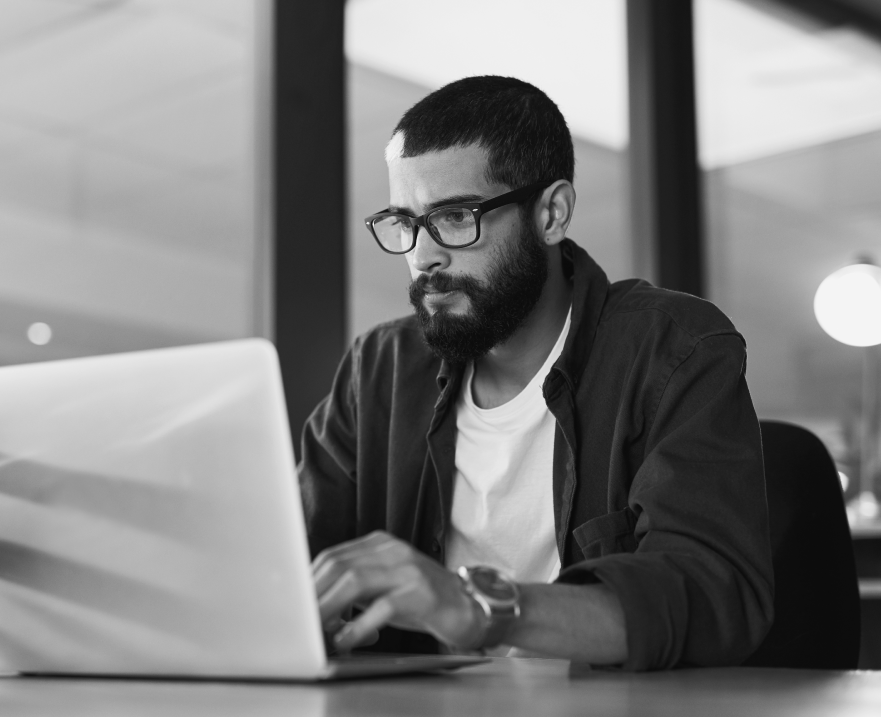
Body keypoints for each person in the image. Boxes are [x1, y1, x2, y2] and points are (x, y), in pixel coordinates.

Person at [299, 76, 774, 671]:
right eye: (405, 222)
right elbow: (288, 558)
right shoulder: (379, 369)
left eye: (455, 216)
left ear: (552, 213)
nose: (422, 256)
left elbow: (713, 593)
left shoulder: (673, 348)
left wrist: (476, 608)